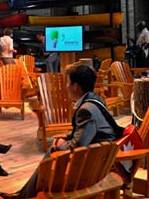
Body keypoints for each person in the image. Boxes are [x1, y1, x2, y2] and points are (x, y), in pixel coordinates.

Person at [13, 64, 120, 198]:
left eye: (68, 83)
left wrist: (60, 144)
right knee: (52, 152)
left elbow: (78, 146)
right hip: (100, 156)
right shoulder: (96, 99)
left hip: (92, 165)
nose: (66, 87)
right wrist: (66, 136)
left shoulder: (85, 110)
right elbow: (90, 131)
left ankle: (23, 196)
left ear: (75, 86)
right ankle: (24, 194)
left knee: (52, 151)